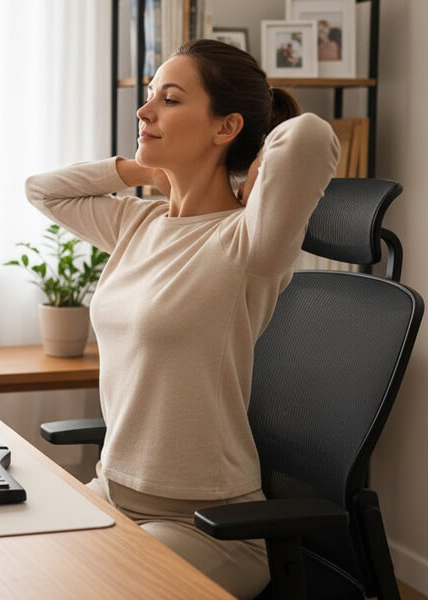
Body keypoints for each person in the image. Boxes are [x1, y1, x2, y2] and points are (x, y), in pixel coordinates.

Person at [25, 39, 339, 599]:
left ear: (226, 128)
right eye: (148, 97)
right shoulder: (137, 225)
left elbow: (310, 134)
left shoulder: (249, 242)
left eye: (169, 99)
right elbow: (42, 191)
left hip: (209, 526)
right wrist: (144, 170)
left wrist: (257, 164)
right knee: (10, 569)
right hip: (113, 494)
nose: (145, 112)